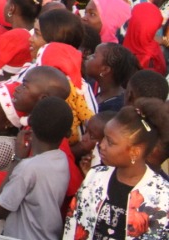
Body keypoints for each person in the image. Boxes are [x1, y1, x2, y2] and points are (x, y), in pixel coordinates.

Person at [64, 100, 169, 240]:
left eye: (110, 142)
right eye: (104, 138)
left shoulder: (161, 197)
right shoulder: (95, 176)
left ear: (135, 152)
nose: (101, 145)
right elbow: (73, 221)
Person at [0, 97, 73, 240]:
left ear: (30, 124)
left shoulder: (28, 168)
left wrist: (16, 160)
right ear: (68, 134)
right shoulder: (62, 159)